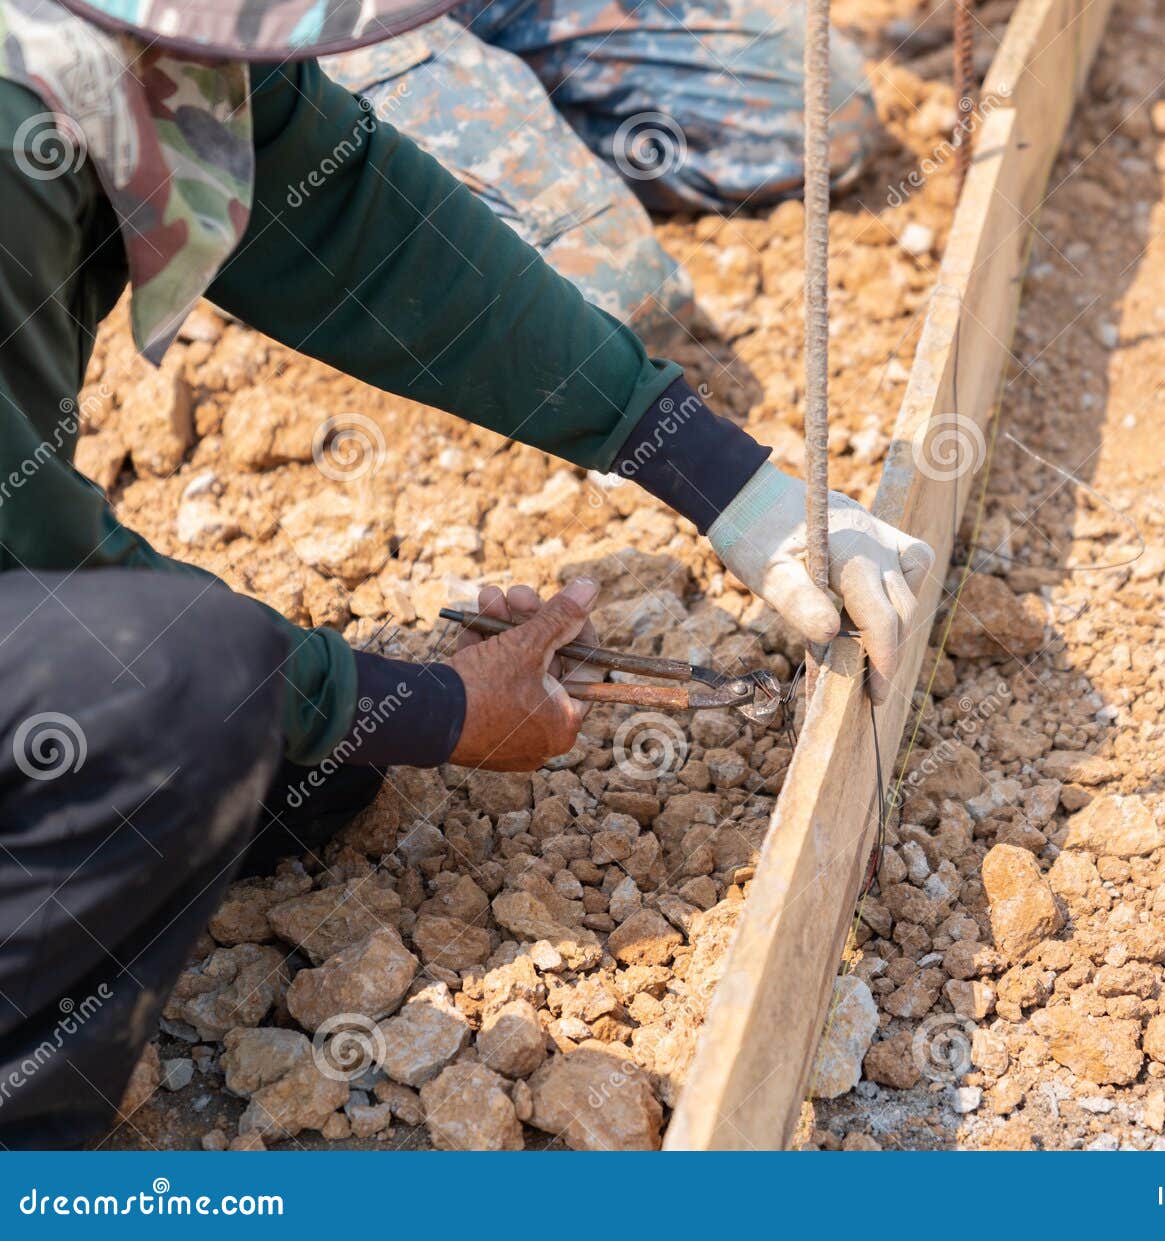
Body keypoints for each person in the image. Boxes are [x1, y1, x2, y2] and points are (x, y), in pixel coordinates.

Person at [0, 0, 930, 1147]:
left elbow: (351, 222)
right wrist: (438, 707)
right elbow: (35, 567)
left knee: (288, 762)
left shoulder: (131, 44)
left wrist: (738, 492)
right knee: (190, 692)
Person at [323, 0, 884, 341]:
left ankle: (515, 110)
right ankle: (281, 197)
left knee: (827, 115)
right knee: (619, 302)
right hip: (323, 22)